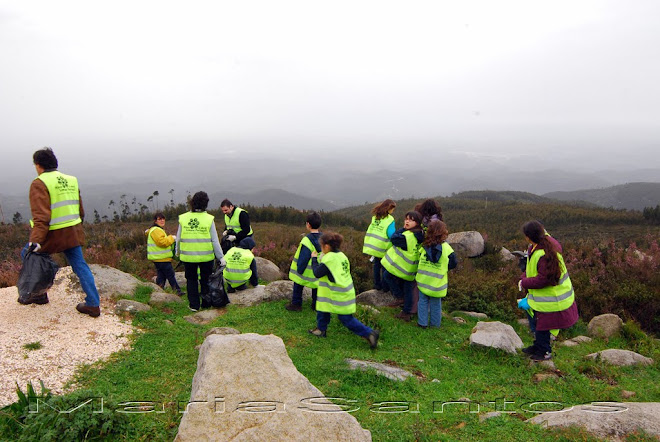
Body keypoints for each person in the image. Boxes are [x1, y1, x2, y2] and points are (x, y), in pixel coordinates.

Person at [28, 147, 102, 317]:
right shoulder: (71, 180)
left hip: (51, 235)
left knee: (30, 256)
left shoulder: (39, 183)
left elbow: (41, 216)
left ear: (38, 165)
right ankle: (93, 304)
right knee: (80, 265)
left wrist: (36, 240)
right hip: (72, 232)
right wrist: (77, 226)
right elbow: (80, 210)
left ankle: (39, 294)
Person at [519, 220, 579, 361]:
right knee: (539, 323)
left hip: (553, 298)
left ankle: (545, 351)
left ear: (528, 237)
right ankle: (538, 346)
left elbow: (543, 279)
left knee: (543, 325)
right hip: (548, 297)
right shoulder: (544, 243)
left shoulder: (543, 254)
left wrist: (524, 282)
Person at [308, 232, 380, 348]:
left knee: (346, 319)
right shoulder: (341, 256)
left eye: (322, 246)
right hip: (343, 291)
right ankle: (321, 329)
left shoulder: (330, 259)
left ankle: (369, 333)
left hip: (339, 294)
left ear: (326, 246)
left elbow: (317, 273)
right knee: (324, 308)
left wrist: (314, 259)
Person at [176, 191, 226, 312]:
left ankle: (194, 305)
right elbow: (214, 241)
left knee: (191, 280)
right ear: (206, 204)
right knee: (206, 280)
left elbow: (178, 238)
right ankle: (206, 303)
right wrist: (221, 257)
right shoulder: (208, 219)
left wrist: (178, 252)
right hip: (206, 257)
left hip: (188, 257)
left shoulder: (184, 218)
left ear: (192, 202)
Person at [382, 211, 424, 321]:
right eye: (406, 219)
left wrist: (403, 229)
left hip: (404, 267)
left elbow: (394, 238)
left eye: (411, 220)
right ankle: (406, 312)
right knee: (408, 288)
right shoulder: (420, 234)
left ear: (417, 223)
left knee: (387, 276)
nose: (407, 221)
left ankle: (400, 299)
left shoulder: (407, 236)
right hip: (412, 267)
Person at [415, 220, 457, 328]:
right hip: (438, 283)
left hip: (423, 281)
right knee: (435, 304)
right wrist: (444, 268)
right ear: (443, 233)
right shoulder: (446, 248)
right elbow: (453, 262)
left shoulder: (424, 247)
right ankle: (435, 325)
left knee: (423, 302)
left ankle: (422, 323)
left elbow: (418, 260)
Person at [286, 211, 322, 312]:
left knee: (298, 285)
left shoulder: (307, 240)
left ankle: (296, 304)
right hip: (317, 271)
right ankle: (316, 305)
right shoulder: (324, 239)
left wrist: (300, 269)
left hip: (305, 271)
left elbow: (304, 258)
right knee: (317, 287)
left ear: (308, 225)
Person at [362, 199, 396, 291]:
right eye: (392, 209)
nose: (393, 211)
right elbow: (391, 234)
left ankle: (377, 285)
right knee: (385, 266)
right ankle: (385, 287)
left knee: (376, 266)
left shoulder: (375, 217)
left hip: (374, 246)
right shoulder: (390, 219)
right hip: (383, 247)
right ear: (389, 208)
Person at [145, 213, 183, 296]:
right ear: (155, 221)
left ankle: (159, 289)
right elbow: (162, 242)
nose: (162, 220)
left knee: (161, 275)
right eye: (159, 219)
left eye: (163, 219)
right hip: (161, 258)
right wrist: (172, 238)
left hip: (158, 258)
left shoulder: (155, 229)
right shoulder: (156, 230)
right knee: (170, 274)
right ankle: (177, 291)